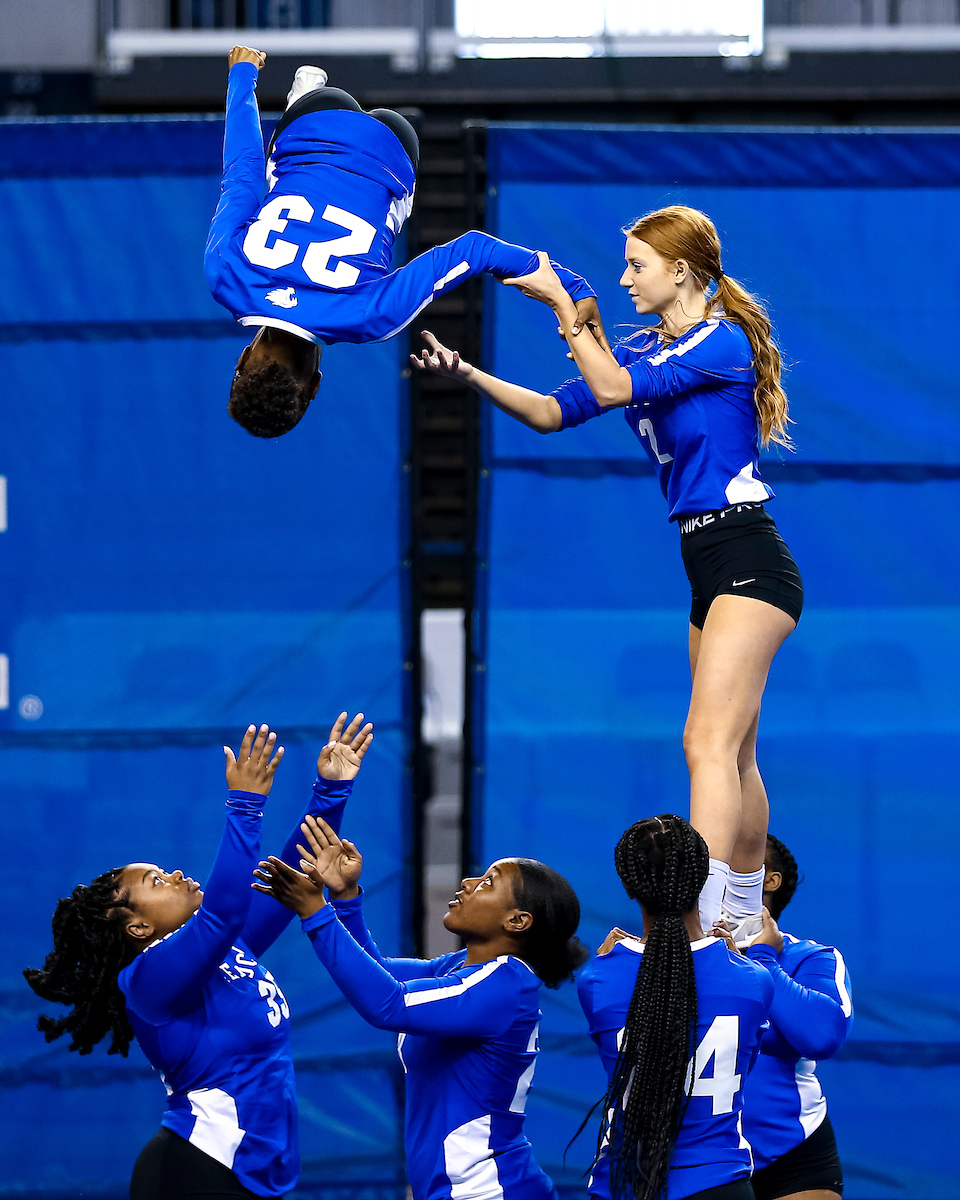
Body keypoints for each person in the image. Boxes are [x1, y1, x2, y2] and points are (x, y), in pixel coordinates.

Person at [411, 205, 803, 942]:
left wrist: (565, 304)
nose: (624, 278)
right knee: (736, 749)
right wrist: (466, 371)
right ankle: (747, 915)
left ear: (681, 271)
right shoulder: (654, 351)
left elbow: (615, 388)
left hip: (749, 555)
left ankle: (702, 921)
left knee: (705, 743)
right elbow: (555, 412)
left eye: (637, 265)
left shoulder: (721, 340)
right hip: (707, 560)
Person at [24, 713, 372, 1199]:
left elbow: (293, 877)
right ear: (138, 926)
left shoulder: (230, 947)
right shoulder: (146, 979)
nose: (176, 875)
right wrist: (244, 804)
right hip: (195, 1171)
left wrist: (331, 790)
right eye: (157, 881)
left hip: (252, 1170)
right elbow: (224, 911)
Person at [206, 47, 607, 439]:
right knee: (278, 171)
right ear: (242, 357)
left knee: (388, 208)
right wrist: (241, 76)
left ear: (313, 387)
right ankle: (304, 98)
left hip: (393, 148)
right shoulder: (224, 275)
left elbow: (473, 249)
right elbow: (241, 174)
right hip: (309, 125)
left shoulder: (369, 319)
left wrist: (573, 288)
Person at [253, 814, 588, 1200]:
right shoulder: (458, 969)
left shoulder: (505, 985)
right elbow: (376, 974)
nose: (468, 883)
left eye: (488, 882)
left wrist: (315, 912)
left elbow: (389, 1005)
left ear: (517, 920)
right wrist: (345, 898)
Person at [577, 814, 774, 1200]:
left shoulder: (596, 981)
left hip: (626, 1185)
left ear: (629, 887)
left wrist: (605, 966)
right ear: (702, 878)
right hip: (719, 1184)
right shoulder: (753, 980)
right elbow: (745, 1064)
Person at [740, 835, 852, 1200]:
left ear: (770, 880)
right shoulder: (687, 960)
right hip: (698, 1159)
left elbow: (821, 1036)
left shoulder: (811, 958)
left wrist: (763, 959)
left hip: (793, 1155)